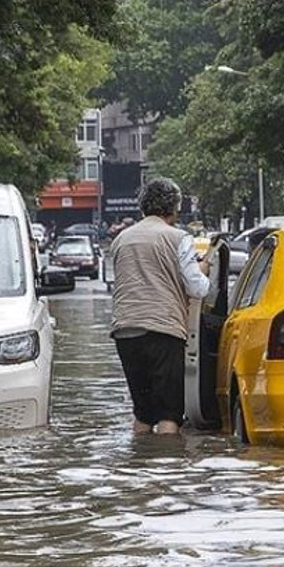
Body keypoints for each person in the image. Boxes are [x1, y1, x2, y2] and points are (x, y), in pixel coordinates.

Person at [110, 178, 210, 435]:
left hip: (125, 332)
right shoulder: (178, 238)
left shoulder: (121, 239)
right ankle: (166, 459)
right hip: (163, 331)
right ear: (174, 207)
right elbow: (197, 288)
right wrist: (203, 270)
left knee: (143, 413)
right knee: (169, 415)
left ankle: (140, 454)